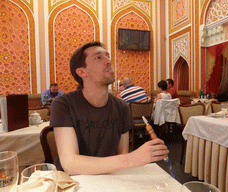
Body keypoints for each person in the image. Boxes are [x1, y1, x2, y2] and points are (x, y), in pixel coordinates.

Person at [50, 41, 169, 175]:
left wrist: (129, 159)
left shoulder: (122, 107)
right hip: (73, 183)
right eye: (98, 57)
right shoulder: (63, 104)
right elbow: (70, 164)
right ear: (82, 72)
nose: (109, 61)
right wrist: (133, 159)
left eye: (107, 56)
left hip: (109, 179)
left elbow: (121, 154)